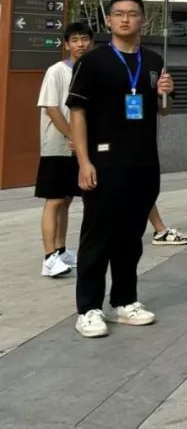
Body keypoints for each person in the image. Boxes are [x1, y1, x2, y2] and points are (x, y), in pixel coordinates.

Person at [67, 0, 174, 338]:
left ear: (143, 20)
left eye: (132, 14)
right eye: (119, 14)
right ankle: (88, 308)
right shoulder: (92, 62)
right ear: (109, 20)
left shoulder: (154, 60)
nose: (126, 19)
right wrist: (84, 162)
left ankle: (124, 301)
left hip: (143, 162)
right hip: (104, 161)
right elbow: (77, 112)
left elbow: (164, 110)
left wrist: (167, 92)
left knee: (131, 238)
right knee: (98, 236)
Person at [36, 21, 93, 278]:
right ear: (66, 44)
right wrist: (72, 135)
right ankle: (49, 258)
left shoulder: (90, 71)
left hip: (76, 146)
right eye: (75, 40)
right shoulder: (56, 71)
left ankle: (60, 250)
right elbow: (51, 108)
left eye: (85, 39)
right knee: (55, 199)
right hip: (57, 146)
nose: (81, 44)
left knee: (67, 200)